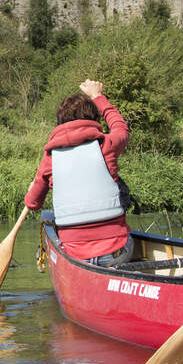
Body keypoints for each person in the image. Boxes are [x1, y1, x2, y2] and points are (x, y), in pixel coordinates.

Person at [25, 79, 131, 266]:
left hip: (75, 256)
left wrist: (33, 188)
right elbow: (120, 127)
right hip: (116, 252)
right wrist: (97, 97)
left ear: (60, 122)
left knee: (47, 216)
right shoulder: (107, 145)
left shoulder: (50, 159)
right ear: (93, 119)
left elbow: (33, 203)